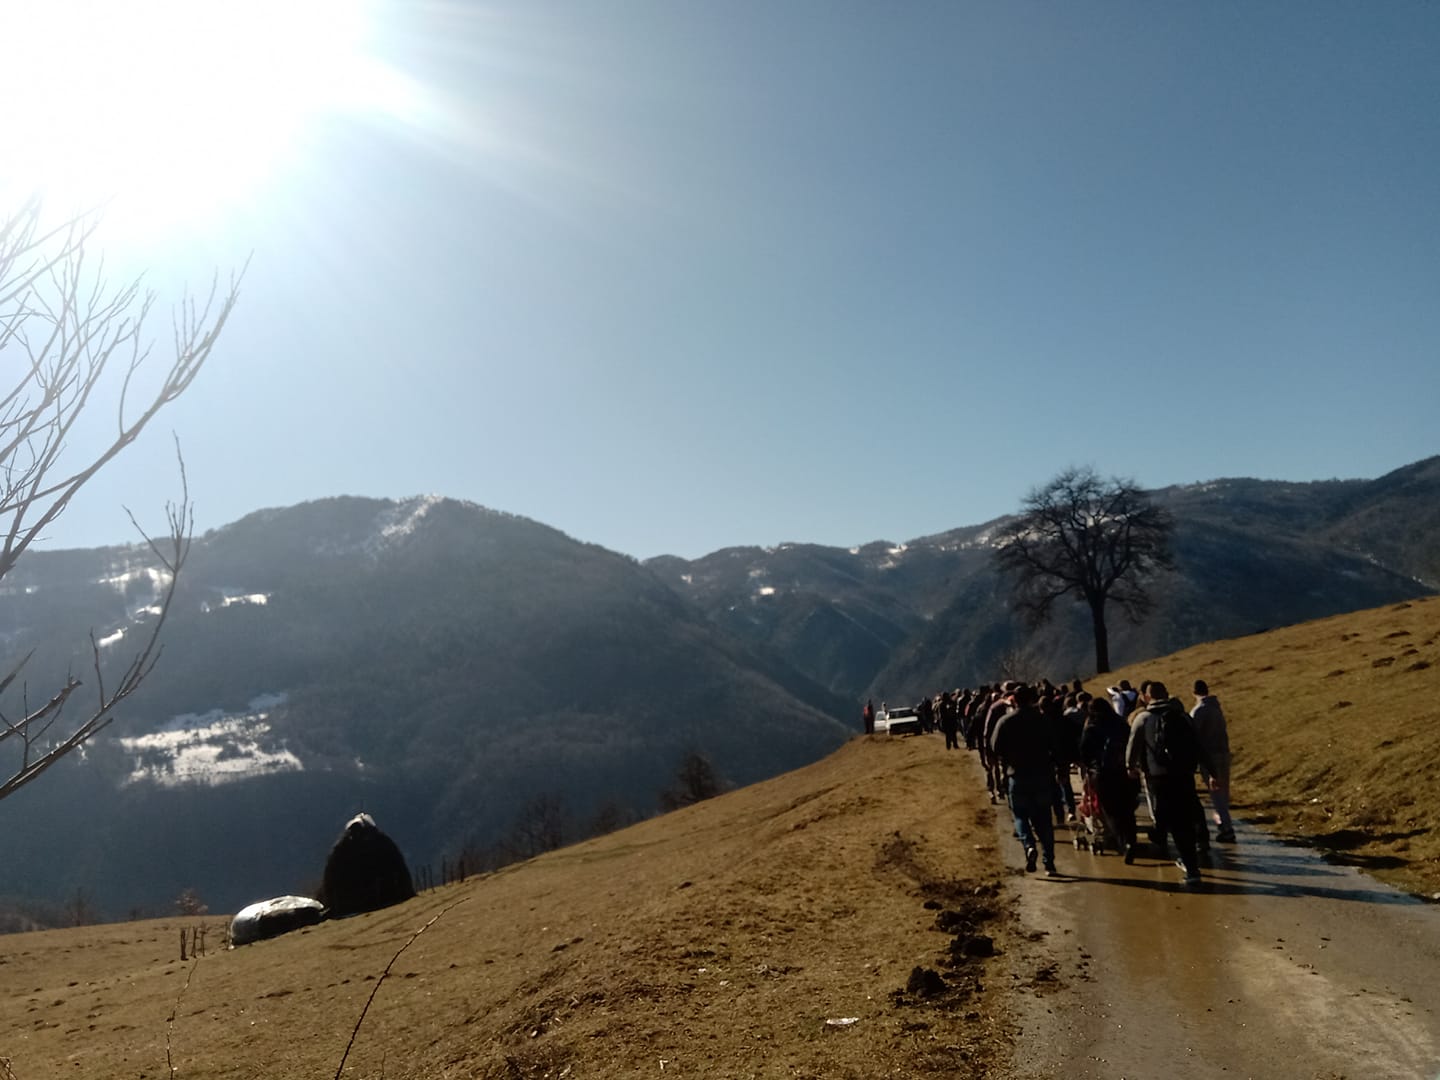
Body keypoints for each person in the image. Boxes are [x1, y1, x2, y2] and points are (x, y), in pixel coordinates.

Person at [1126, 680, 1213, 886]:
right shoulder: (1183, 717)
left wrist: (1130, 767)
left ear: (1146, 697)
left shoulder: (1143, 718)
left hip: (1159, 778)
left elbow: (1132, 747)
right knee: (1184, 819)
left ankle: (1187, 865)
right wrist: (1212, 772)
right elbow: (1198, 746)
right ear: (1166, 693)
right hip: (1183, 775)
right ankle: (1188, 859)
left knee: (1172, 819)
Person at [991, 683, 1060, 876]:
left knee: (1020, 816)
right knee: (1044, 819)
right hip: (1042, 775)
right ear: (1032, 699)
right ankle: (1050, 863)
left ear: (1014, 700)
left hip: (1018, 775)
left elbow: (995, 747)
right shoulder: (1043, 720)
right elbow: (1055, 746)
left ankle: (1029, 845)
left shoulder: (1005, 722)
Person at [1079, 696, 1139, 860]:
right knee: (1127, 809)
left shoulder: (1091, 727)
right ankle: (1132, 840)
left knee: (1111, 811)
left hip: (1103, 775)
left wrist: (1089, 769)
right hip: (1124, 772)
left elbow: (1084, 752)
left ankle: (1122, 842)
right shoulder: (1120, 723)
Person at [1191, 680, 1235, 843]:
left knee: (1216, 793)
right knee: (1224, 791)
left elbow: (1193, 735)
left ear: (1193, 692)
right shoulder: (1217, 708)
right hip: (1224, 753)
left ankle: (1226, 827)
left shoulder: (1198, 711)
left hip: (1209, 757)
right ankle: (1223, 823)